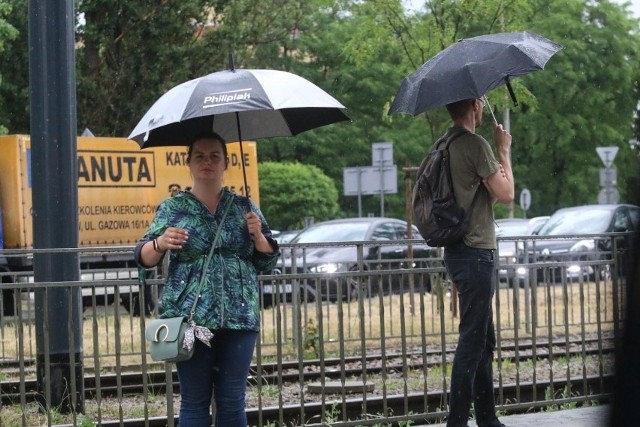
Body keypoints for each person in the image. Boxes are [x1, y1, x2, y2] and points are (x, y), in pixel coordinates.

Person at [134, 130, 279, 427]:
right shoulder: (173, 208)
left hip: (239, 315)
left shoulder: (245, 207)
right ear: (188, 162)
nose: (207, 161)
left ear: (226, 163)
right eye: (200, 155)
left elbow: (268, 261)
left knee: (231, 400)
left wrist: (258, 236)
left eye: (215, 156)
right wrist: (161, 242)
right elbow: (144, 257)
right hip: (190, 319)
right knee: (195, 401)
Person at [441, 97, 514, 427]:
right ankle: (457, 421)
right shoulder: (475, 144)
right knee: (473, 340)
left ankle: (488, 418)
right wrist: (504, 151)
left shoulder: (444, 144)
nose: (484, 106)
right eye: (481, 101)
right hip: (477, 252)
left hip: (456, 251)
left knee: (483, 337)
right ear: (474, 106)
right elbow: (507, 192)